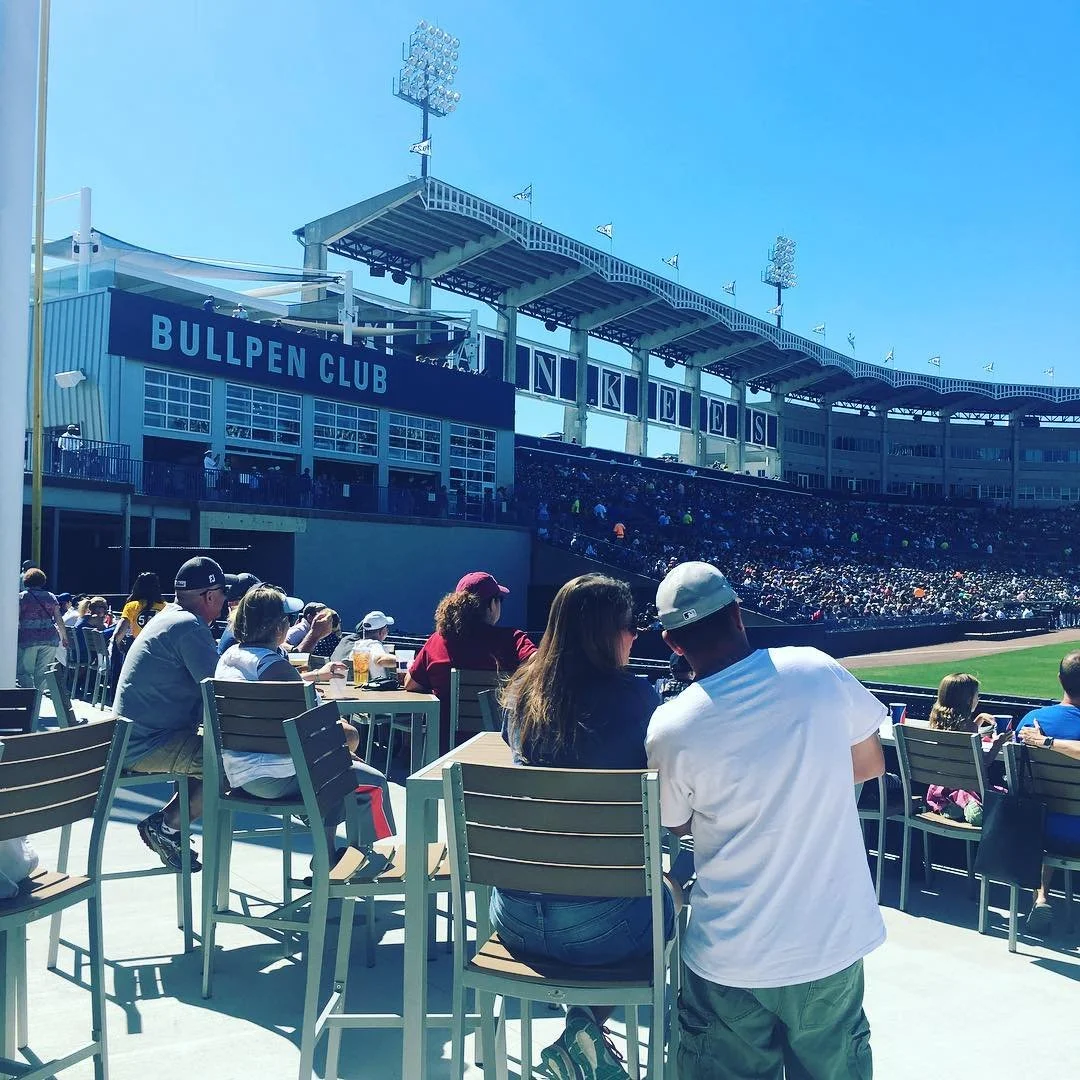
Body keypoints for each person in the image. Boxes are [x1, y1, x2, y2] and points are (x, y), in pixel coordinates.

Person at [646, 562, 886, 1080]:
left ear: (672, 642)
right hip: (829, 946)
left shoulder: (669, 727)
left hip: (727, 957)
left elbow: (677, 823)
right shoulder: (816, 667)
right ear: (738, 613)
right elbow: (869, 763)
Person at [493, 574, 680, 1079]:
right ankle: (593, 1033)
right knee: (674, 883)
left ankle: (583, 1034)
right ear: (606, 633)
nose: (635, 636)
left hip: (512, 919)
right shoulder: (638, 700)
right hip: (601, 929)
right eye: (630, 626)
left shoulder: (518, 698)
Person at [215, 586, 394, 850]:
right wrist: (350, 739)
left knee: (338, 767)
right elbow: (323, 734)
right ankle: (376, 860)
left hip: (241, 776)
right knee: (374, 782)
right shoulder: (275, 667)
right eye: (286, 620)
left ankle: (329, 856)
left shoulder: (229, 659)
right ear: (278, 627)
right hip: (283, 776)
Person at [113, 556, 233, 871]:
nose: (224, 600)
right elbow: (219, 694)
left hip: (135, 736)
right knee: (232, 764)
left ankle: (166, 825)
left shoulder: (170, 618)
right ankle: (167, 826)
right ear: (209, 596)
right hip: (147, 744)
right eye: (222, 593)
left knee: (219, 754)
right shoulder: (190, 627)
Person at [405, 572, 536, 754]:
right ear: (491, 605)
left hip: (446, 754)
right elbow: (540, 669)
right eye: (500, 600)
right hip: (500, 750)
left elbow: (411, 684)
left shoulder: (437, 642)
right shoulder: (513, 640)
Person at [1015, 650, 1080, 936]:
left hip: (1039, 829)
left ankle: (1040, 897)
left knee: (1043, 808)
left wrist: (1047, 741)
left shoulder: (1033, 721)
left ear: (1060, 680)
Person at [924, 673, 1004, 826]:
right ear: (968, 700)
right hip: (964, 787)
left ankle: (950, 806)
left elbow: (959, 732)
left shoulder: (936, 723)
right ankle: (965, 806)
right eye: (977, 695)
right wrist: (997, 744)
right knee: (1000, 796)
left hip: (939, 789)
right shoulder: (969, 728)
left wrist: (978, 719)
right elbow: (982, 764)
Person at [16, 568, 68, 689]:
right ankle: (37, 701)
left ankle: (29, 699)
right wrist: (64, 637)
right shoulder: (51, 597)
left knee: (24, 672)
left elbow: (16, 619)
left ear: (26, 581)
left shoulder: (22, 597)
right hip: (50, 639)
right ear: (42, 581)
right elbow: (59, 620)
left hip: (28, 640)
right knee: (43, 673)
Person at [350, 611, 399, 676]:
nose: (387, 631)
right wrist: (408, 661)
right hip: (377, 685)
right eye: (386, 628)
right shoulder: (374, 645)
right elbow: (380, 660)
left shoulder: (357, 645)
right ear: (382, 632)